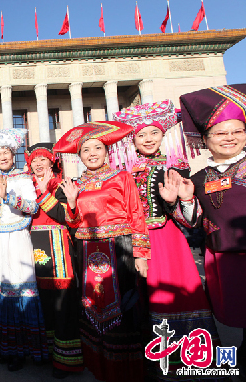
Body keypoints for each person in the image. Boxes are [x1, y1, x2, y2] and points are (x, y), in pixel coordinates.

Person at [113, 101, 222, 380]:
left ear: (163, 135)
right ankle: (144, 356)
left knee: (170, 294)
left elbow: (191, 220)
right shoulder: (123, 171)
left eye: (153, 133)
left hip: (166, 240)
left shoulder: (176, 168)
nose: (148, 139)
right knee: (134, 296)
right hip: (130, 240)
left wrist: (179, 201)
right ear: (132, 139)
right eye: (141, 135)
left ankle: (183, 358)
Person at [53, 121, 150, 382]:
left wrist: (141, 254)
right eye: (86, 150)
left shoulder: (121, 177)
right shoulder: (76, 183)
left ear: (107, 151)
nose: (92, 153)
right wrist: (72, 202)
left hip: (119, 249)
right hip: (85, 249)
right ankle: (98, 364)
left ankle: (125, 370)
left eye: (97, 148)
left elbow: (136, 214)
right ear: (79, 156)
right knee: (92, 305)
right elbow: (73, 223)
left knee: (123, 307)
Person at [175, 84, 246, 364]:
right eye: (220, 133)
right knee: (239, 310)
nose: (229, 138)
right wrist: (186, 200)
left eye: (237, 132)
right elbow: (192, 221)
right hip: (222, 254)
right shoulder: (201, 176)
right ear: (205, 138)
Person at [0, 128, 48, 371]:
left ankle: (29, 349)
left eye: (6, 152)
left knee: (21, 289)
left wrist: (9, 197)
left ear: (13, 155)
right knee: (3, 291)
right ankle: (9, 348)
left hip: (17, 237)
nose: (3, 157)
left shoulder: (24, 177)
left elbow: (32, 207)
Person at [25, 143, 83, 379]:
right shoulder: (25, 186)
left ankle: (65, 360)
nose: (38, 164)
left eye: (43, 160)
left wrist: (42, 193)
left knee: (62, 303)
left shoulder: (62, 185)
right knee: (43, 304)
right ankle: (46, 352)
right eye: (34, 161)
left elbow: (67, 217)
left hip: (58, 248)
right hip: (34, 249)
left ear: (52, 163)